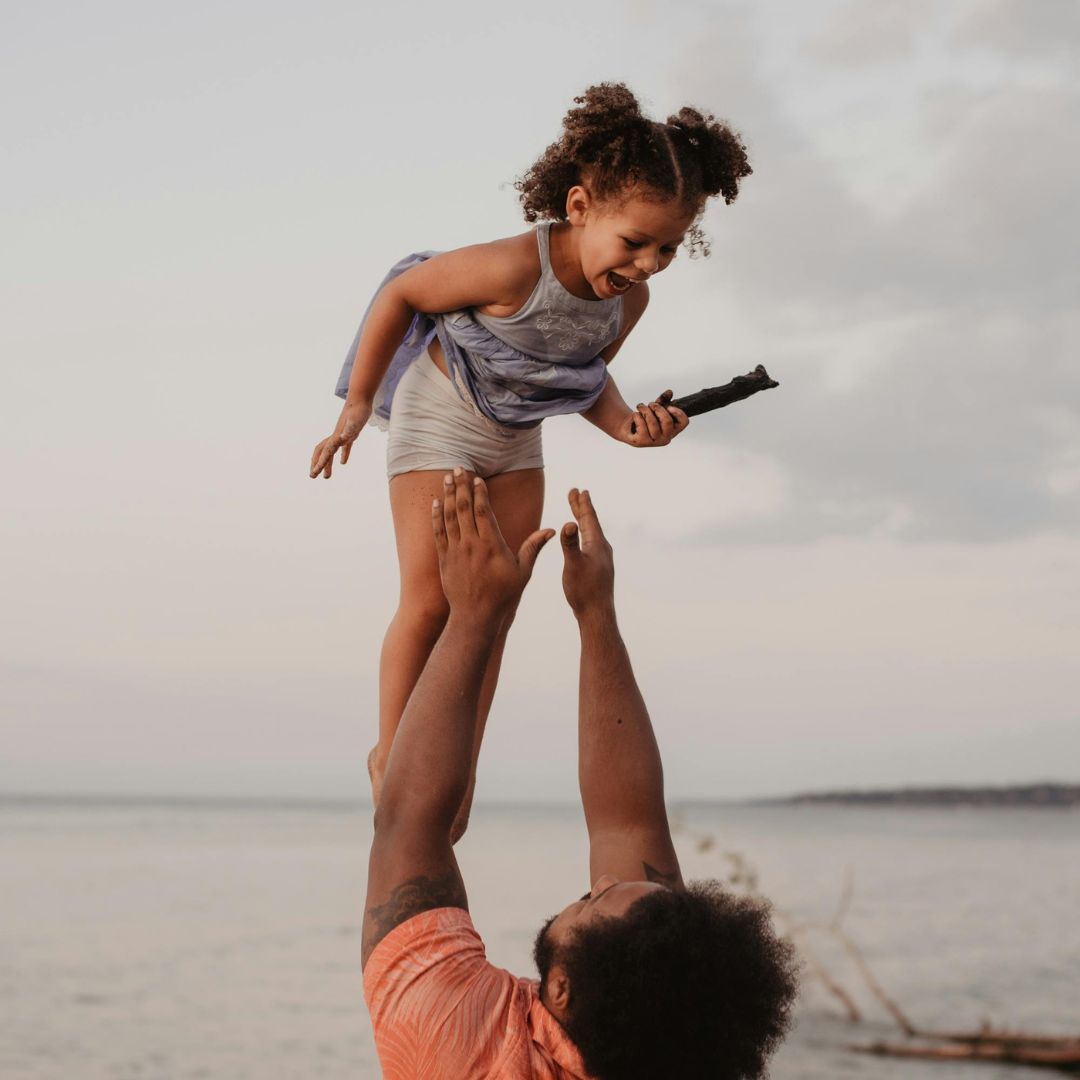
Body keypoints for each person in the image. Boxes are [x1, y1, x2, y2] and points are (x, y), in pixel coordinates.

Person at [309, 83, 753, 839]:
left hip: (516, 437)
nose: (648, 263)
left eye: (668, 249)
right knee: (431, 596)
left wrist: (632, 429)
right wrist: (356, 404)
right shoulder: (517, 265)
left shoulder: (626, 304)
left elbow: (582, 379)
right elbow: (403, 293)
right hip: (441, 415)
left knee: (495, 604)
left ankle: (457, 767)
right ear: (580, 207)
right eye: (635, 241)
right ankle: (392, 755)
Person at [362, 473, 798, 1080]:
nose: (598, 884)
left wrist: (475, 615)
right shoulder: (667, 1037)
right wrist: (596, 615)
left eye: (595, 900)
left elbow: (407, 817)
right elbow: (628, 819)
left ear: (562, 990)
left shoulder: (457, 1049)